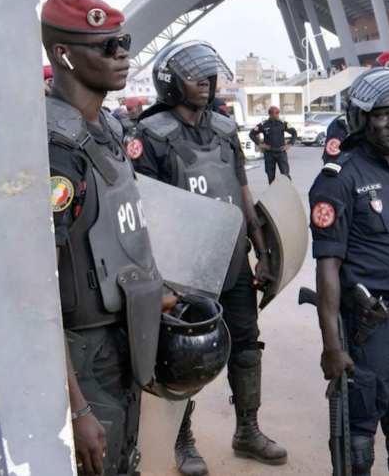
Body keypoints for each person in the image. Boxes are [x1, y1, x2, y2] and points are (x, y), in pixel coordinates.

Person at [132, 41, 286, 474]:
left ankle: (248, 430)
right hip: (182, 269)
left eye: (208, 75)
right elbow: (145, 210)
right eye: (194, 76)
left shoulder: (223, 128)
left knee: (247, 347)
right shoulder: (150, 136)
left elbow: (242, 191)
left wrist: (262, 251)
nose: (205, 82)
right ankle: (182, 440)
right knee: (183, 354)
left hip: (232, 259)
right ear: (170, 82)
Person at [42, 0, 169, 476]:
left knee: (124, 461)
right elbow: (37, 298)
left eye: (124, 42)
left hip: (122, 342)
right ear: (63, 55)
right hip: (82, 358)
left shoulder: (110, 130)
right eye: (107, 46)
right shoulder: (57, 151)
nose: (123, 55)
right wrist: (75, 409)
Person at [309, 68, 389, 476]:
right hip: (372, 327)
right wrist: (331, 345)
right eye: (383, 114)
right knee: (358, 435)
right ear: (363, 119)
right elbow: (328, 267)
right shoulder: (338, 179)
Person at [250, 105, 298, 184]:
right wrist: (260, 144)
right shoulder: (263, 125)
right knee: (270, 175)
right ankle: (273, 192)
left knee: (285, 174)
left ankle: (288, 191)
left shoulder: (282, 123)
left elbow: (294, 132)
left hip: (280, 152)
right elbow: (252, 134)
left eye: (278, 114)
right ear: (270, 114)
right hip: (269, 153)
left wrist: (290, 144)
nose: (277, 115)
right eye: (275, 114)